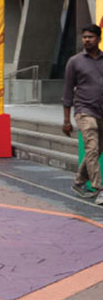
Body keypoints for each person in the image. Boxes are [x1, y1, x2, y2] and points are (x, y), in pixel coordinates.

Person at [62, 24, 103, 203]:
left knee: (96, 151)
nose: (86, 40)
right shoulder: (75, 61)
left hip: (101, 112)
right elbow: (67, 91)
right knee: (92, 148)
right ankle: (99, 188)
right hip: (84, 111)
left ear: (99, 39)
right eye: (84, 37)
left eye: (90, 37)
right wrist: (66, 120)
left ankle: (78, 182)